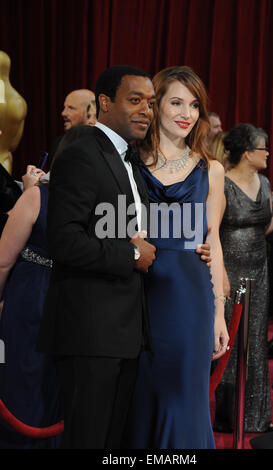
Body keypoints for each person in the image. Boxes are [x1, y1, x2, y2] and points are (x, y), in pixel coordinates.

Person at [36, 65, 158, 450]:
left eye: (151, 103)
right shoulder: (81, 152)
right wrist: (133, 252)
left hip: (122, 332)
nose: (146, 111)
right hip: (89, 331)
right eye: (135, 100)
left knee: (111, 441)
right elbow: (64, 241)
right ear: (105, 103)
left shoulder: (128, 158)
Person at [124, 66, 229, 449]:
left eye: (195, 105)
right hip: (132, 295)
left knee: (183, 400)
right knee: (136, 400)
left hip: (188, 301)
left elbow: (213, 242)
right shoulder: (128, 162)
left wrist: (218, 312)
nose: (187, 113)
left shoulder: (211, 171)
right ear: (155, 107)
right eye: (176, 102)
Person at [214, 123, 273, 433]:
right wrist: (219, 276)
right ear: (247, 153)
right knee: (231, 345)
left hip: (259, 270)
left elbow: (264, 226)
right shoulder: (222, 184)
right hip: (230, 273)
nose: (268, 153)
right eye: (263, 148)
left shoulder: (263, 181)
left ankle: (255, 418)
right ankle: (229, 416)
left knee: (257, 342)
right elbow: (212, 232)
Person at [0, 153, 62, 448]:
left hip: (30, 294)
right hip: (74, 299)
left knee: (23, 374)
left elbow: (2, 262)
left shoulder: (38, 196)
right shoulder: (103, 199)